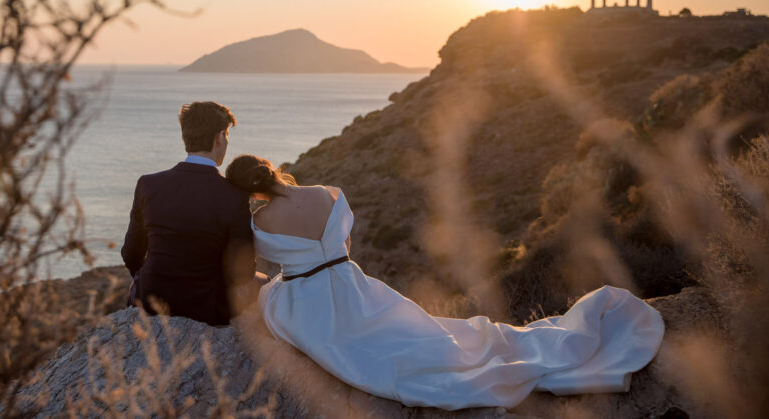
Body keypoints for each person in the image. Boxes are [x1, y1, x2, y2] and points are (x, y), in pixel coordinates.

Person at [225, 154, 665, 411]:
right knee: (416, 335)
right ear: (271, 169)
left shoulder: (259, 223)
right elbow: (345, 244)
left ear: (249, 191)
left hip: (307, 299)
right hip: (353, 283)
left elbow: (254, 265)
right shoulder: (327, 193)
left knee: (280, 306)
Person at [121, 101, 262, 326]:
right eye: (227, 136)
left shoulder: (148, 184)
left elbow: (130, 253)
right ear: (220, 137)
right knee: (267, 284)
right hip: (206, 309)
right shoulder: (234, 196)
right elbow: (241, 273)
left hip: (150, 299)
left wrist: (146, 280)